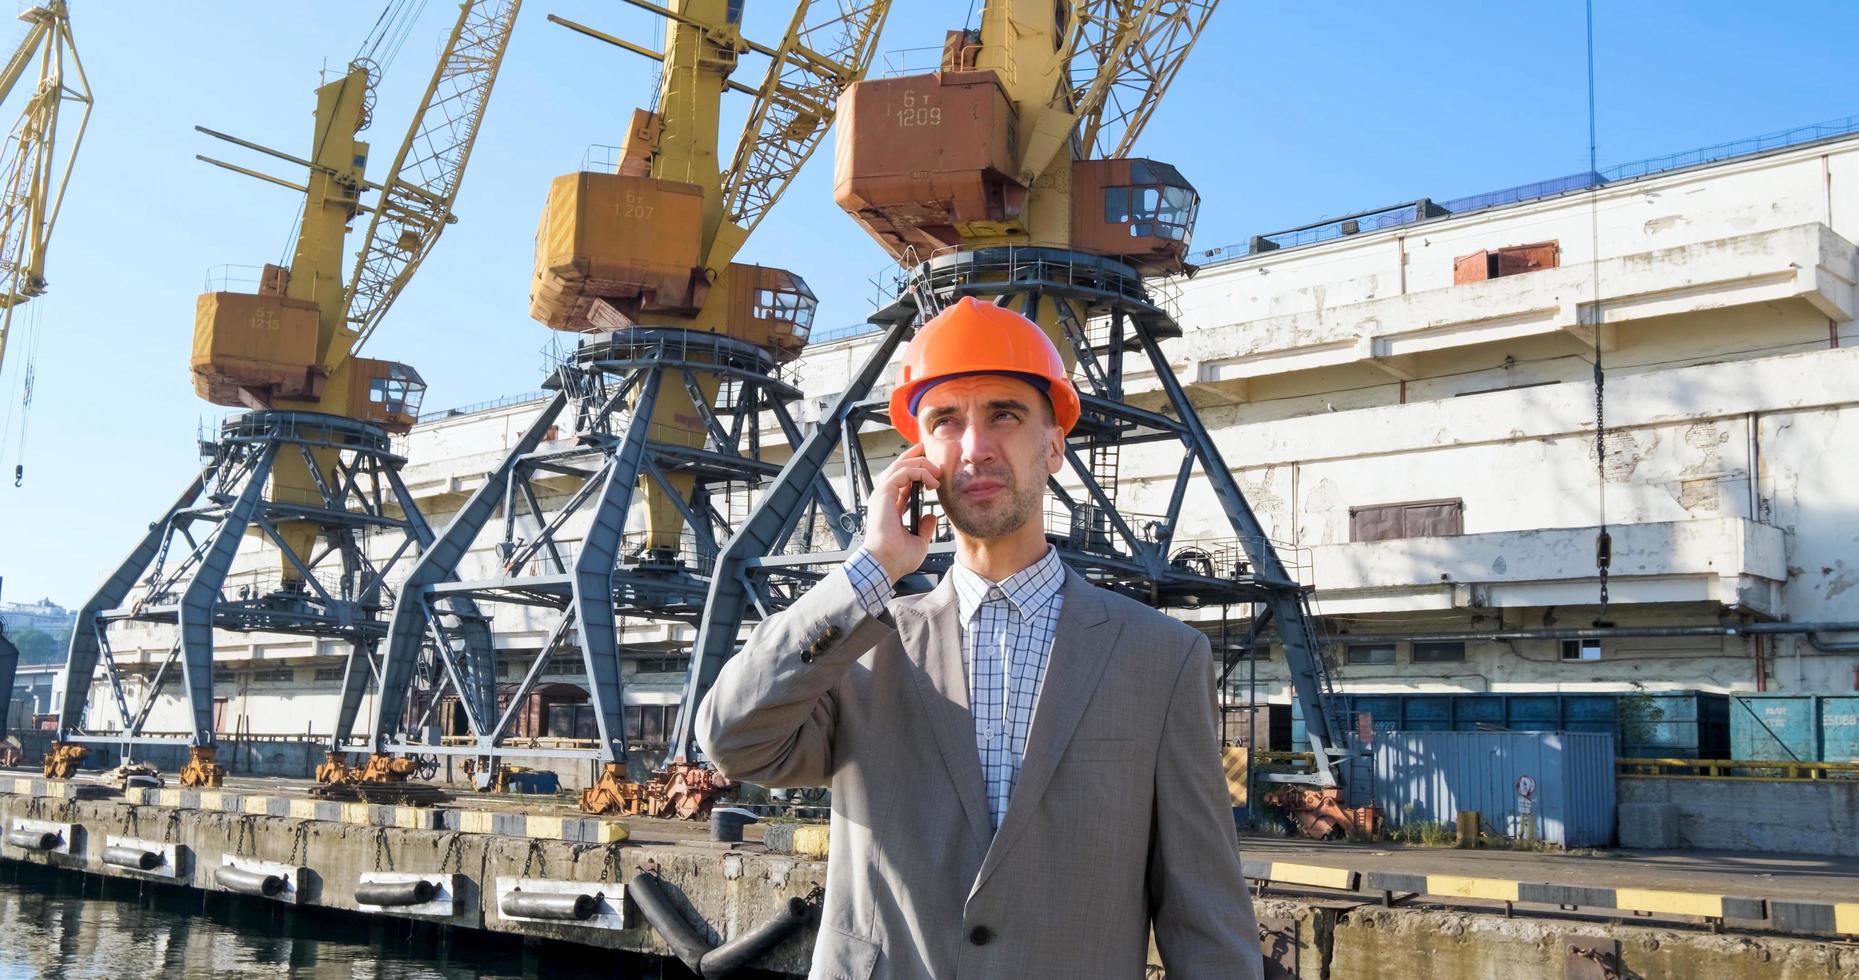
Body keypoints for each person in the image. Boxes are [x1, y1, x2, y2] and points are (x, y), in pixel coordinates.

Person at [697, 297, 1261, 979]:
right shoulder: (859, 647)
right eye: (945, 422)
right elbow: (731, 737)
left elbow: (1203, 915)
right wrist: (868, 572)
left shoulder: (1160, 659)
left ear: (1053, 445)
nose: (975, 447)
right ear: (920, 459)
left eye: (1004, 414)